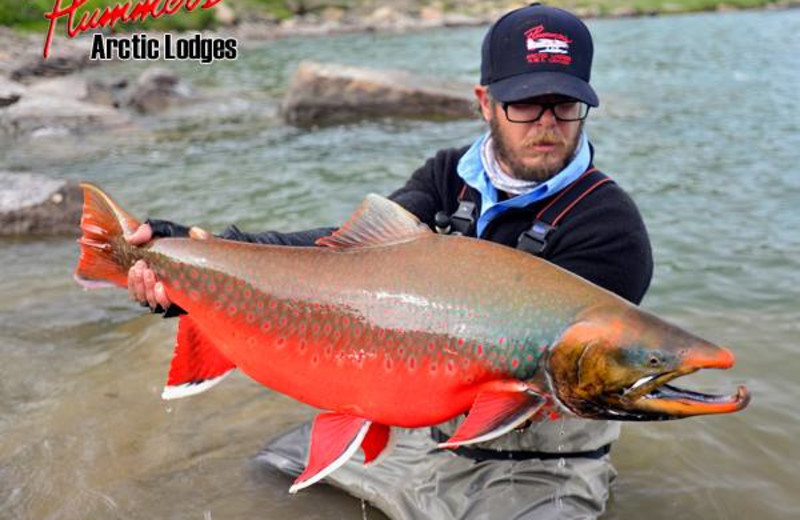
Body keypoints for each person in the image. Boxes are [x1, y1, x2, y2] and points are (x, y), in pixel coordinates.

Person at [126, 3, 652, 518]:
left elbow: (561, 382)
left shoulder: (611, 227)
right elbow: (345, 258)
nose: (547, 124)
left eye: (565, 104)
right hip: (425, 437)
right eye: (525, 103)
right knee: (271, 467)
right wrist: (201, 254)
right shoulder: (447, 174)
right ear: (484, 102)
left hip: (537, 463)